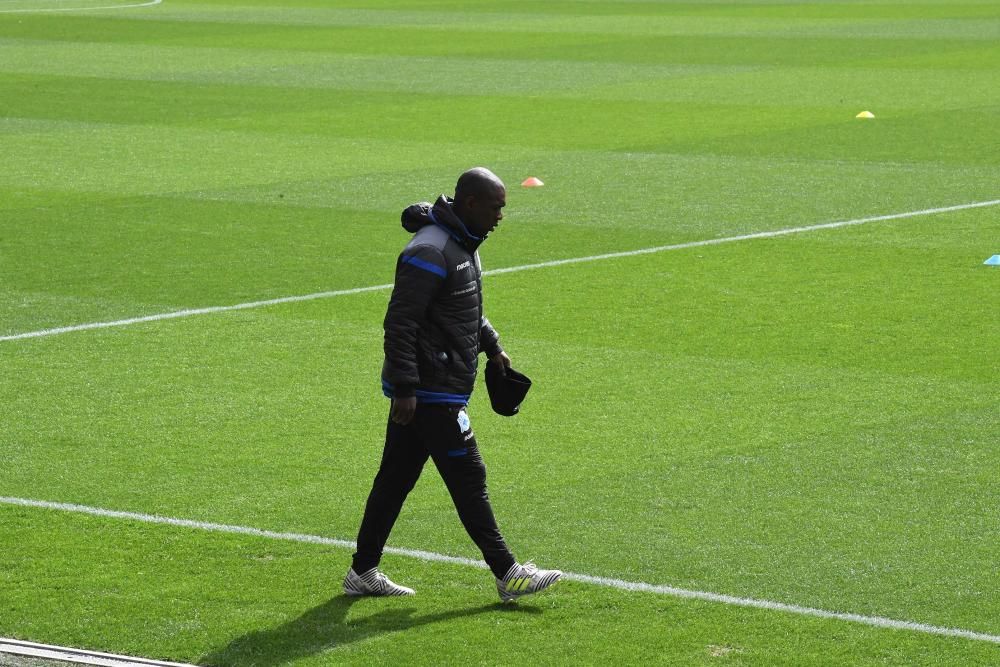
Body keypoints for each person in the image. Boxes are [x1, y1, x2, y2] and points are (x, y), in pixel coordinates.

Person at [344, 167, 561, 602]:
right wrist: (405, 386)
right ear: (471, 203)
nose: (502, 215)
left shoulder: (464, 243)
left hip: (438, 383)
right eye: (496, 206)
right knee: (468, 475)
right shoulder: (429, 250)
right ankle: (507, 572)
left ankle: (362, 571)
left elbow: (462, 307)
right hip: (429, 390)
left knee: (394, 480)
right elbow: (399, 323)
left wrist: (492, 345)